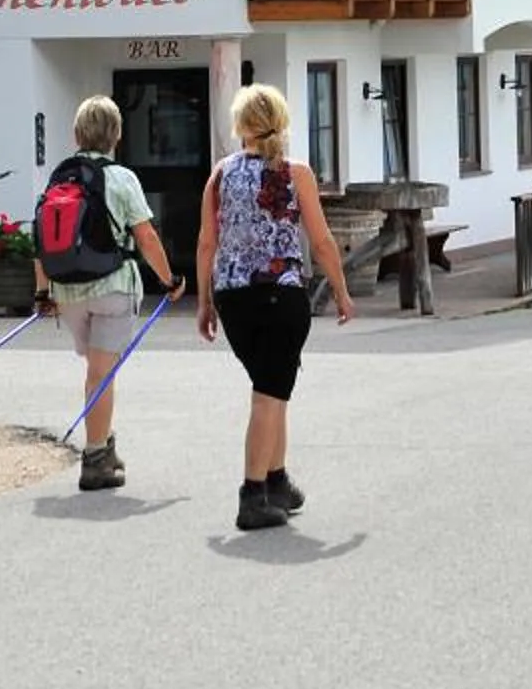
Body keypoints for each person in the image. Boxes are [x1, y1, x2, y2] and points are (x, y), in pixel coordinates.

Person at [197, 83, 354, 532]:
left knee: (274, 385)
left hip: (233, 297)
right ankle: (252, 494)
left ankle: (277, 480)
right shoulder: (294, 172)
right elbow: (321, 241)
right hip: (279, 293)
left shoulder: (220, 174)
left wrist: (205, 302)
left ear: (241, 125)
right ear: (280, 122)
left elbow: (206, 243)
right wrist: (341, 291)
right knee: (268, 393)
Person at [33, 94, 182, 492]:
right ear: (116, 135)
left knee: (98, 370)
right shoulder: (122, 178)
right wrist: (169, 280)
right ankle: (95, 458)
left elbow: (40, 239)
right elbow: (145, 236)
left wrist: (42, 292)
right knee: (101, 372)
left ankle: (105, 443)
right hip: (113, 288)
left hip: (67, 291)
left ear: (76, 134)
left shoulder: (59, 178)